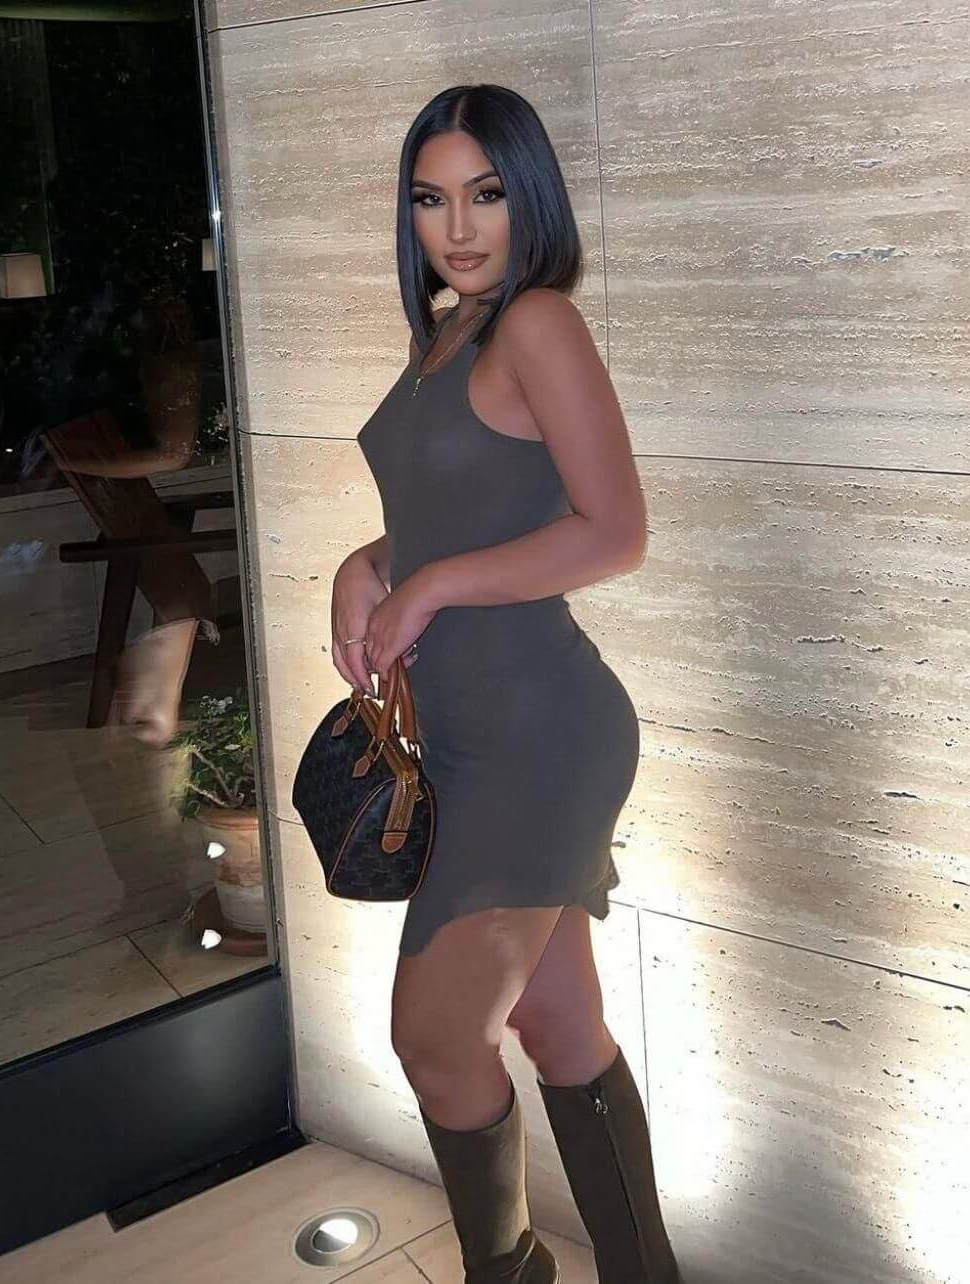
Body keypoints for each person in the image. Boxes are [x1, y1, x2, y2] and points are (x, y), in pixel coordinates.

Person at [330, 85, 683, 1284]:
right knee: (556, 1024)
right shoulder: (444, 335)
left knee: (434, 1042)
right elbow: (459, 512)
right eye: (430, 200)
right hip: (469, 735)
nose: (458, 227)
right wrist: (371, 563)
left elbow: (614, 530)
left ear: (528, 196)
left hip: (539, 737)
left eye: (484, 194)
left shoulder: (537, 322)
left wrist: (427, 587)